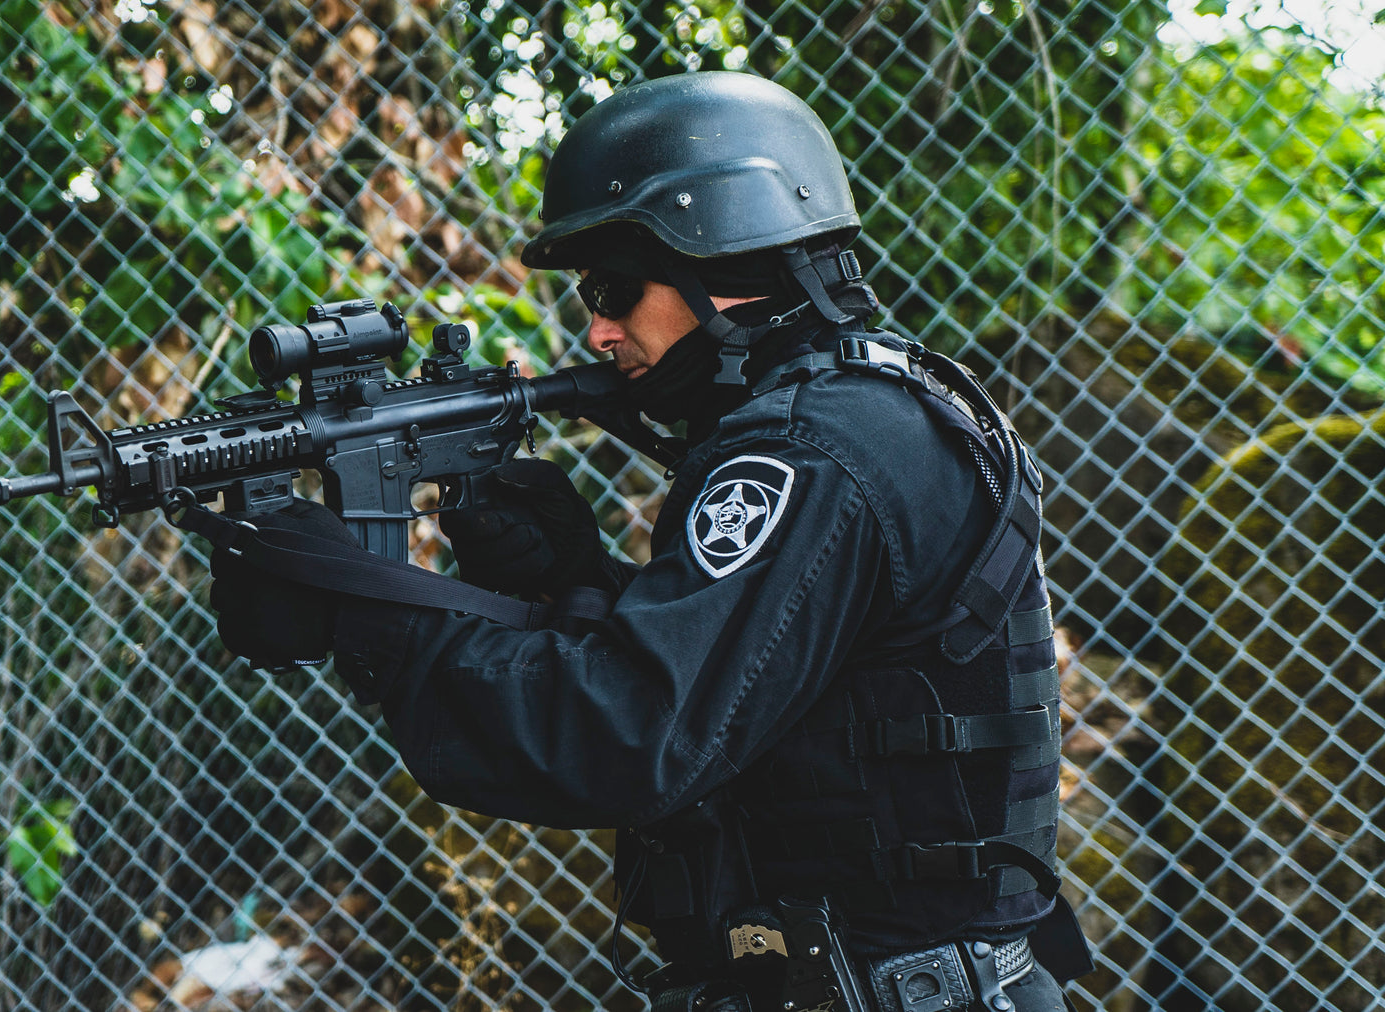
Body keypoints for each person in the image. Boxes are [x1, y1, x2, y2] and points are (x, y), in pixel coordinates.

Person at [209, 71, 1089, 1011]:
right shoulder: (881, 404)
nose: (596, 329)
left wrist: (363, 611)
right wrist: (573, 581)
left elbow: (630, 735)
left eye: (616, 288)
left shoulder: (805, 451)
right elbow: (786, 682)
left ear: (723, 260)